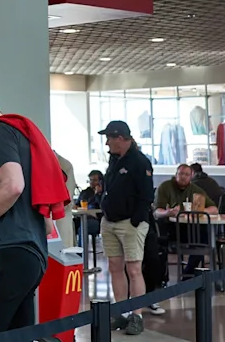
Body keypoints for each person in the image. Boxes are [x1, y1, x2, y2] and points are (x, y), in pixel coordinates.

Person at [0, 97, 70, 336]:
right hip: (33, 255)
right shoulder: (26, 139)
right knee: (18, 334)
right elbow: (48, 220)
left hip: (6, 253)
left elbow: (13, 185)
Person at [98, 121, 154, 336]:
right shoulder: (114, 160)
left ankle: (136, 315)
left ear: (119, 138)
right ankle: (120, 312)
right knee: (114, 266)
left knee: (133, 269)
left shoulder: (140, 162)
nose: (106, 143)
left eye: (109, 138)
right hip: (110, 221)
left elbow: (146, 195)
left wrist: (136, 220)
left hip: (130, 223)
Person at [154, 164, 219, 279]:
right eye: (181, 174)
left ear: (191, 176)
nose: (183, 177)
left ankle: (188, 272)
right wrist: (168, 213)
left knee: (204, 238)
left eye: (187, 175)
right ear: (176, 174)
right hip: (169, 228)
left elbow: (214, 209)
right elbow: (156, 212)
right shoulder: (165, 187)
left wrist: (199, 211)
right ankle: (161, 277)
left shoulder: (195, 190)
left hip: (188, 228)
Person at [54, 150, 76, 248]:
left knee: (62, 251)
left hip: (60, 217)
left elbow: (67, 198)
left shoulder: (63, 165)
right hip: (56, 216)